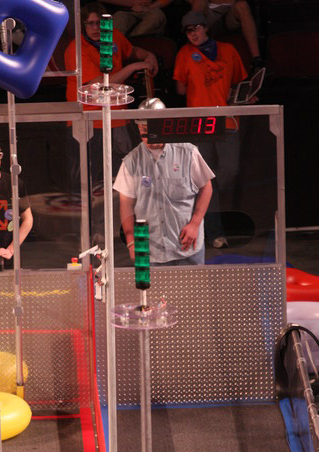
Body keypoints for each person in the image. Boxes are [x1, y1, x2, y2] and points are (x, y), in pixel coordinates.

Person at [173, 11, 248, 248]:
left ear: (206, 27)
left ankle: (209, 209)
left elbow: (239, 81)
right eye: (188, 31)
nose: (193, 33)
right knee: (205, 179)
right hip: (199, 124)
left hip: (227, 121)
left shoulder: (228, 50)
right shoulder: (184, 54)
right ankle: (215, 232)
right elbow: (181, 89)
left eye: (196, 28)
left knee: (228, 171)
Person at [65, 2, 159, 185]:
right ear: (83, 25)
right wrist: (133, 67)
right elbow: (100, 85)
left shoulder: (113, 36)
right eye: (90, 23)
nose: (95, 28)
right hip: (88, 121)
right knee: (88, 181)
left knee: (122, 178)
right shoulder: (76, 48)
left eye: (99, 23)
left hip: (118, 118)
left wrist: (148, 55)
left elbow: (132, 50)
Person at [114, 98, 214, 265]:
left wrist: (195, 223)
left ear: (164, 126)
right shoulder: (131, 162)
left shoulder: (188, 152)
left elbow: (206, 187)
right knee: (148, 284)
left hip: (187, 247)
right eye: (144, 130)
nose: (149, 137)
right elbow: (126, 205)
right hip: (150, 251)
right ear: (139, 128)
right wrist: (131, 242)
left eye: (153, 130)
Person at [188, 0, 263, 71]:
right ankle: (193, 56)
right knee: (198, 2)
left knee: (242, 5)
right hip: (208, 12)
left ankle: (256, 61)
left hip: (229, 12)